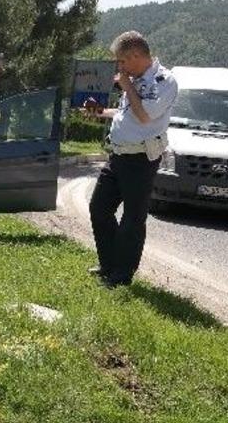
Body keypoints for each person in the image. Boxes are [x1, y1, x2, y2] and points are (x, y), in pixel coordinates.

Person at [82, 31, 178, 288]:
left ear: (136, 55)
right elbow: (127, 112)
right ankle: (109, 264)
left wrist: (127, 87)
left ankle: (121, 275)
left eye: (122, 61)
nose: (120, 67)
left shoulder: (164, 81)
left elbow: (145, 116)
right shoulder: (135, 80)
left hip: (140, 158)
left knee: (132, 218)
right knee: (99, 208)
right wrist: (101, 112)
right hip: (118, 154)